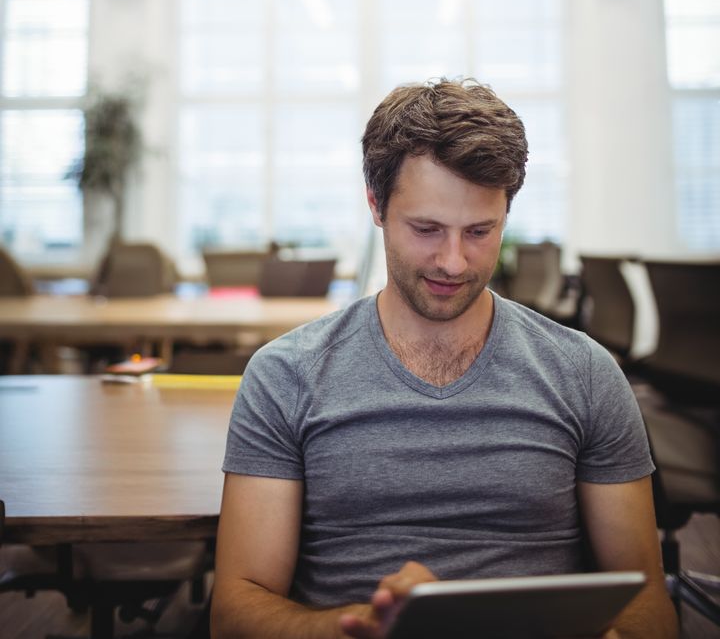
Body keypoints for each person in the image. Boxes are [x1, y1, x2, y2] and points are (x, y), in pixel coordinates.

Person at [211, 80, 677, 639]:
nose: (454, 262)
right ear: (376, 204)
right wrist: (359, 625)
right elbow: (236, 610)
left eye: (480, 232)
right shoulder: (285, 376)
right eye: (427, 229)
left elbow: (648, 599)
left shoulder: (584, 373)